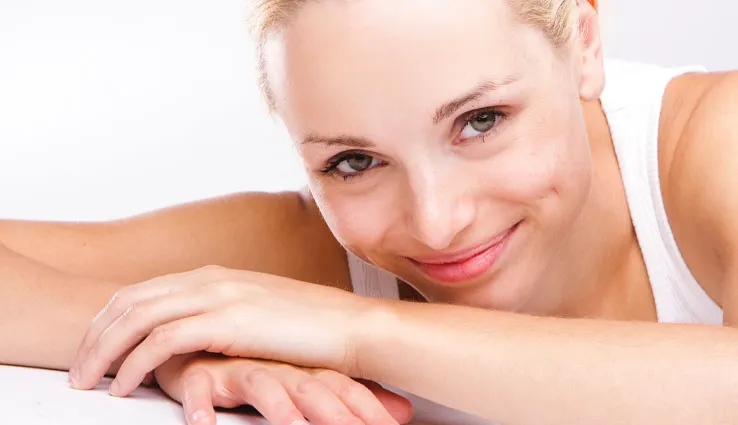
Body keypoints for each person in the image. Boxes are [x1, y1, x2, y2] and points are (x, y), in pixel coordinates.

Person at [3, 0, 738, 424]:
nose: (437, 221)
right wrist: (184, 335)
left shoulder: (713, 145)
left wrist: (352, 331)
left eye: (481, 121)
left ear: (583, 39)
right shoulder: (321, 251)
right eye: (353, 162)